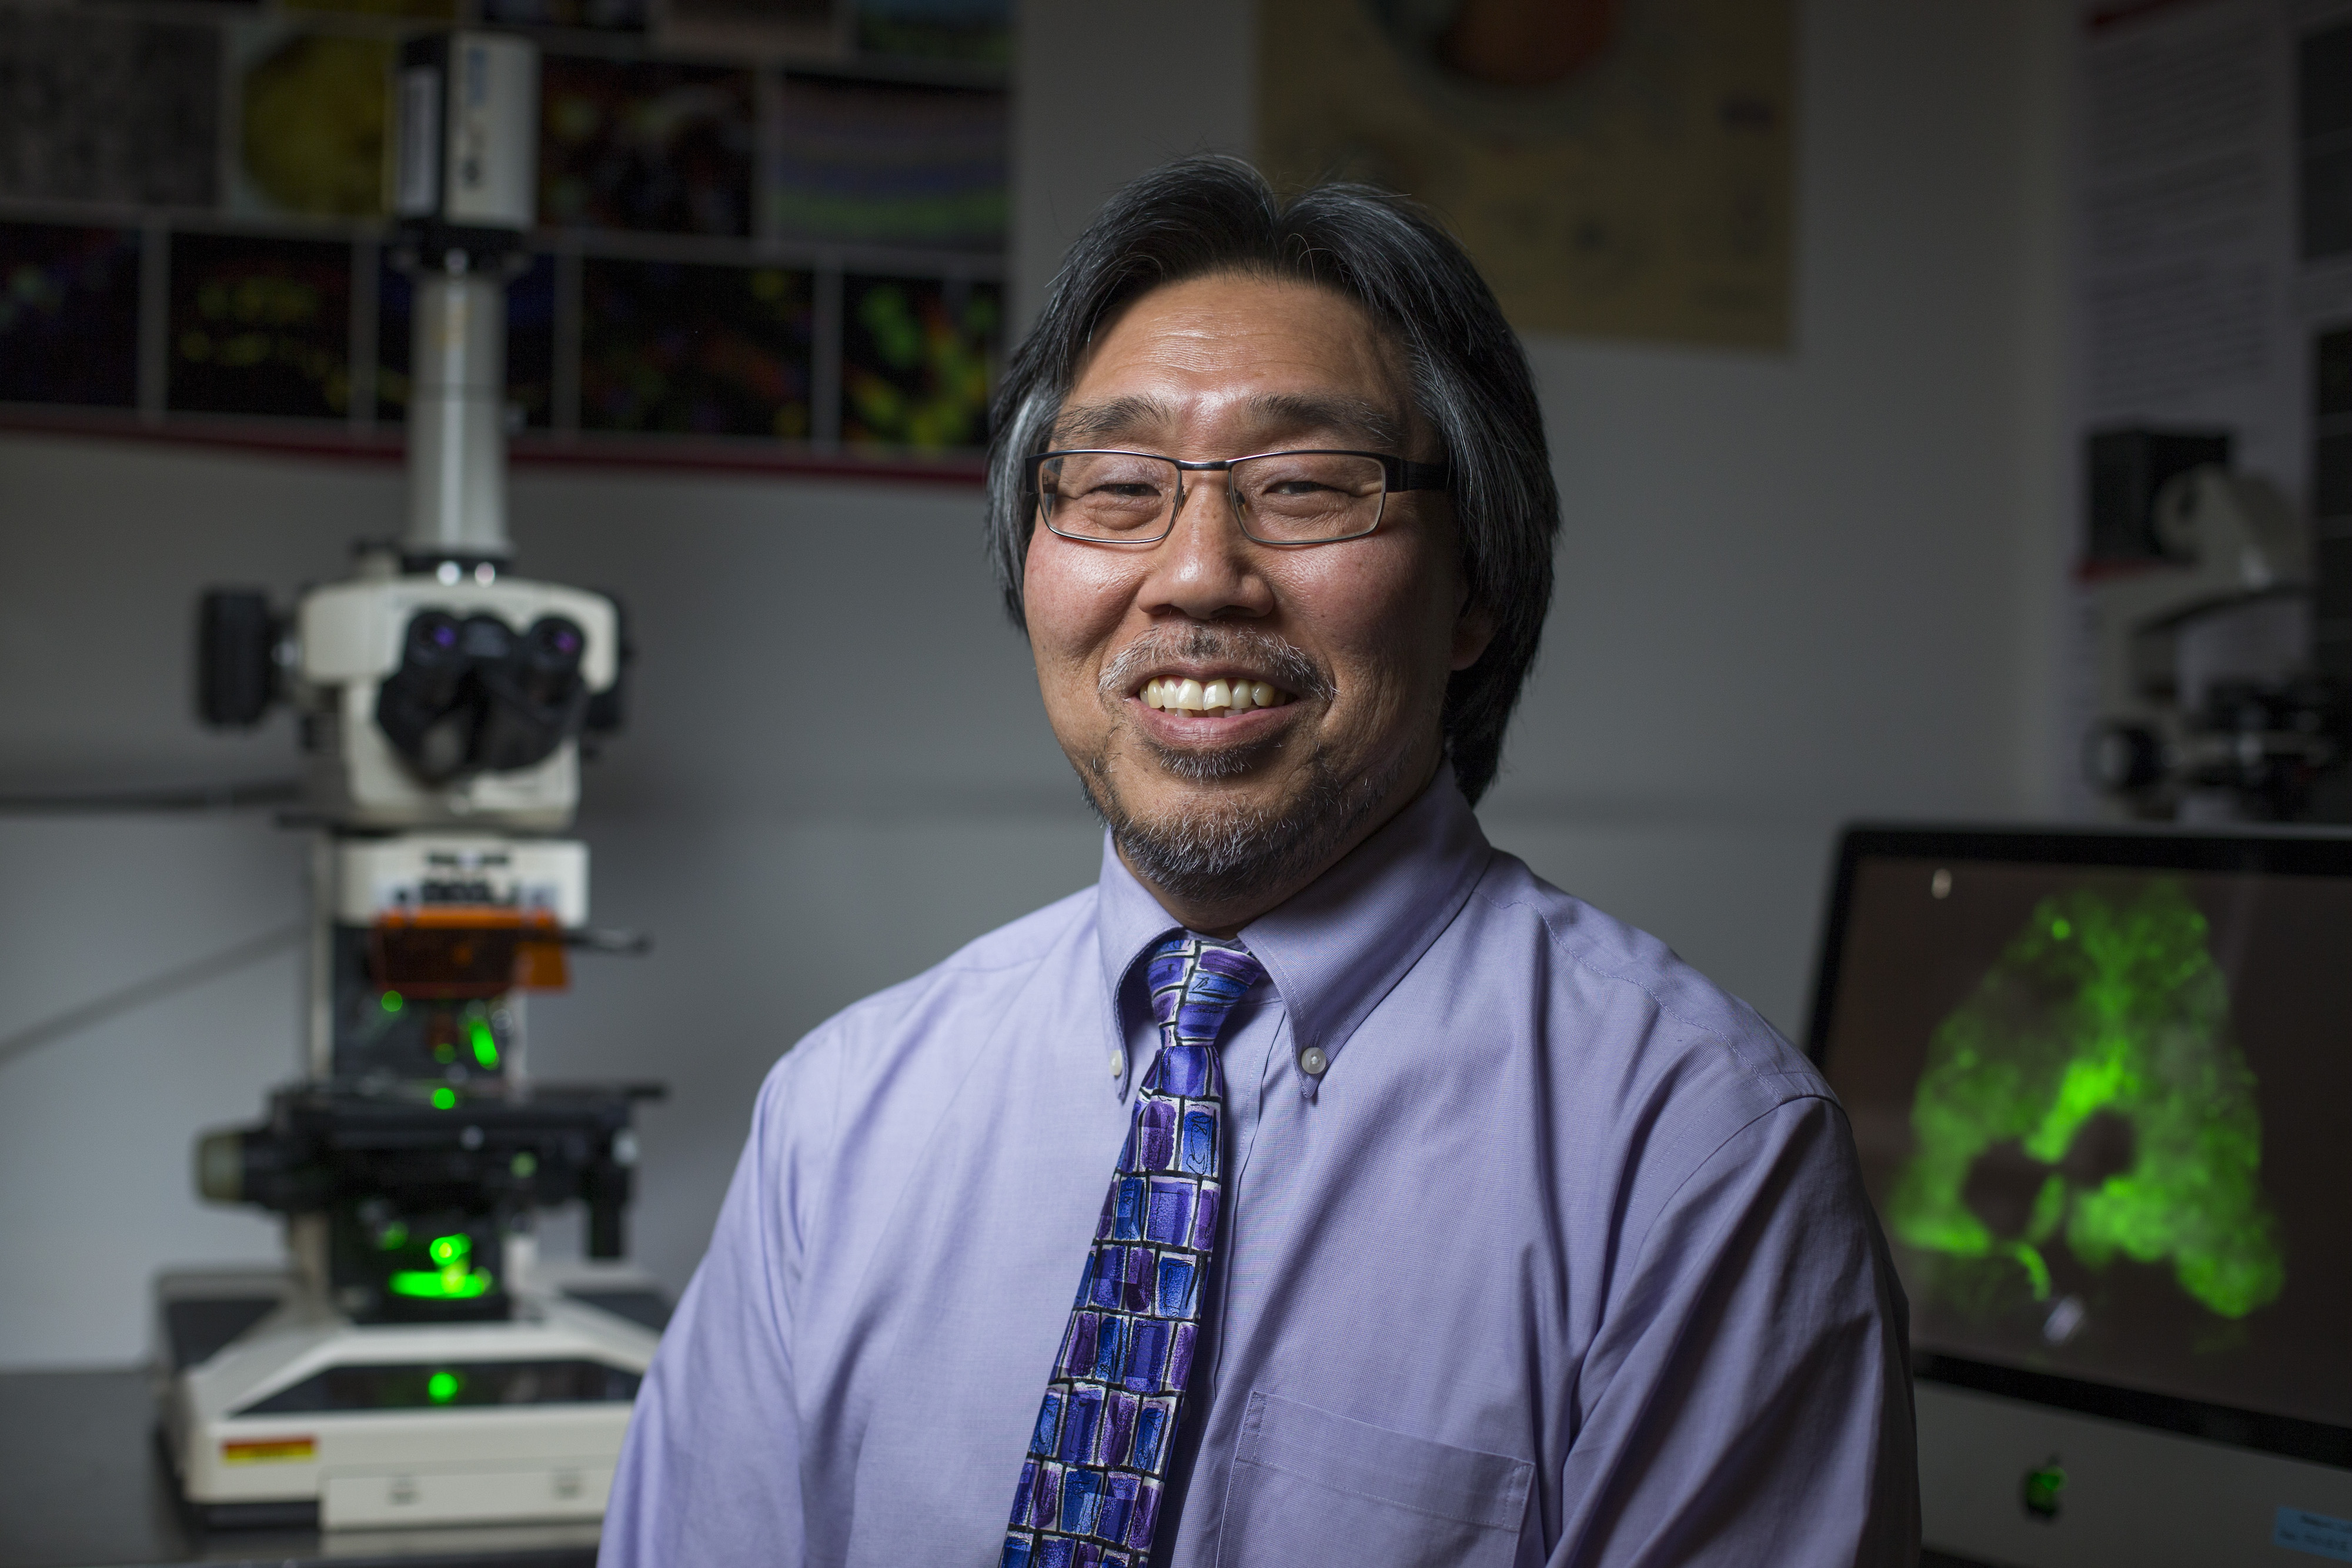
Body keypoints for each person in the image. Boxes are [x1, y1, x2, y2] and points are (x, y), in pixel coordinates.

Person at [600, 156, 1917, 1567]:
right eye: (1114, 486)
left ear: (1473, 582)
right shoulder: (840, 1118)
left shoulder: (1696, 1156)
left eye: (1303, 484)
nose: (1196, 573)